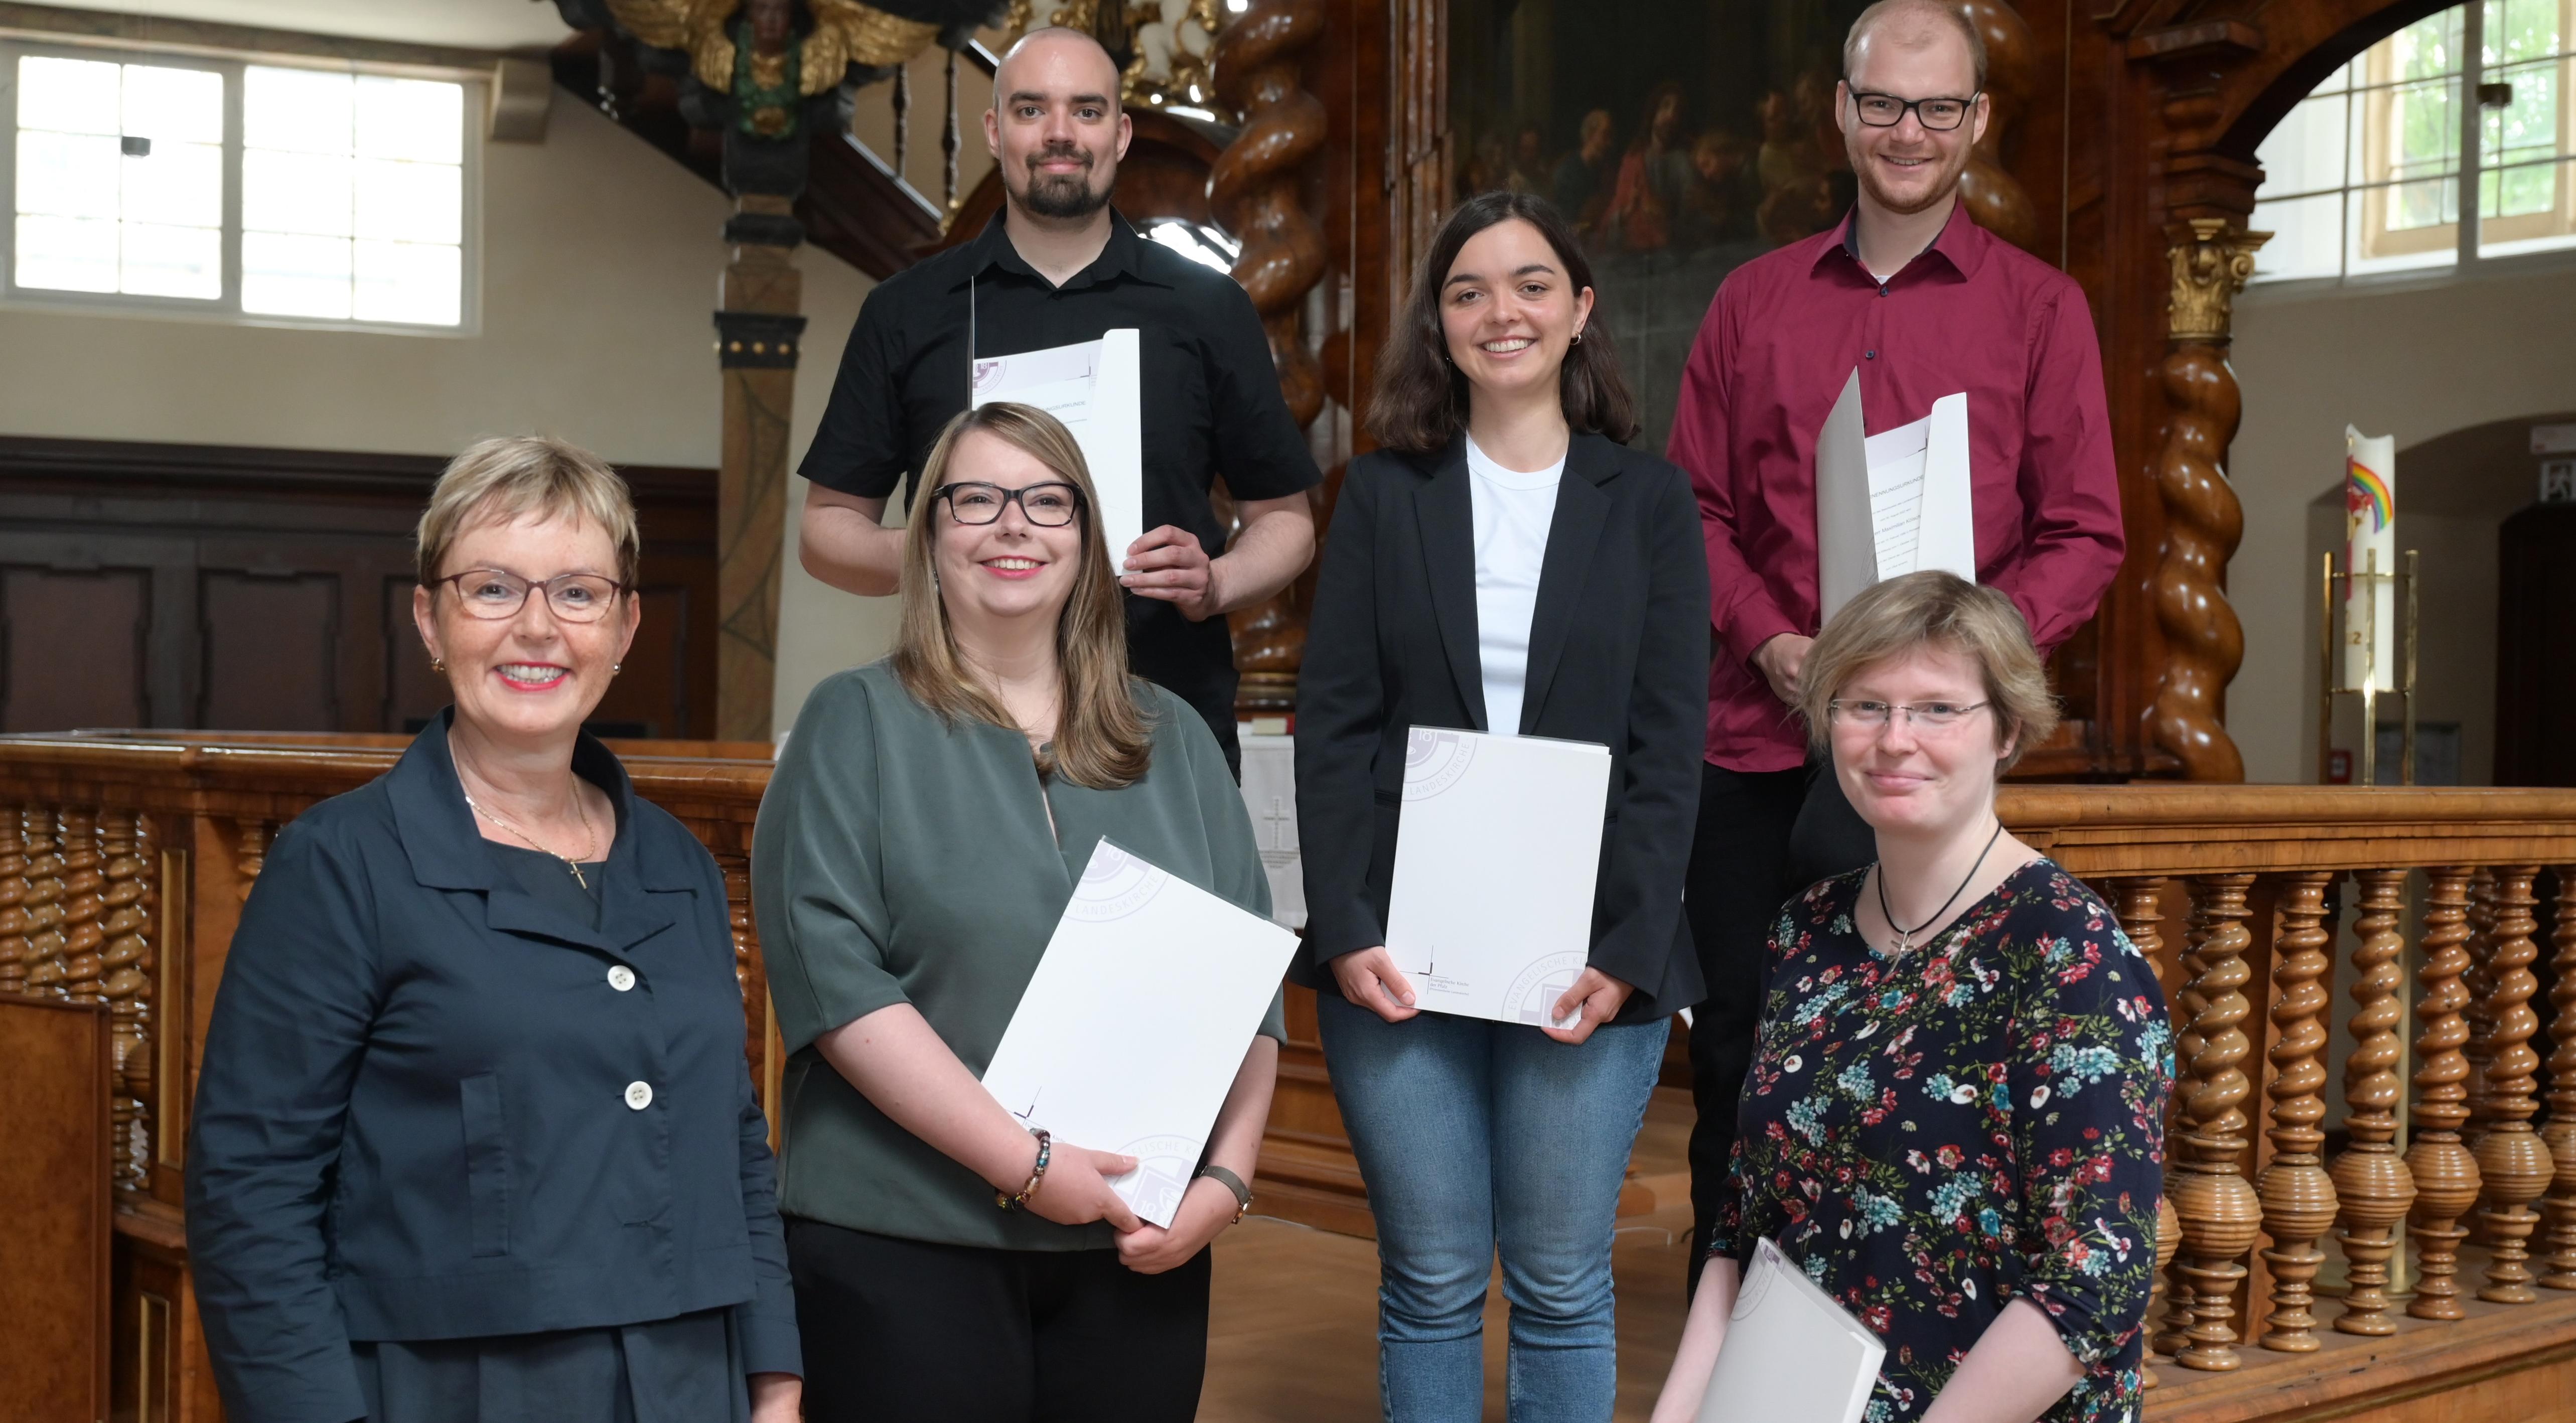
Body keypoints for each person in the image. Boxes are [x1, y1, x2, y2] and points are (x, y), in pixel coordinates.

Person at [186, 437, 801, 1423]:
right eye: (492, 588)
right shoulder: (340, 863)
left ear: (626, 623)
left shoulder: (679, 862)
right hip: (450, 1390)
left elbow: (729, 1139)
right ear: (430, 619)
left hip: (693, 1376)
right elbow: (250, 1191)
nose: (536, 628)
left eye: (576, 592)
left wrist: (773, 1377)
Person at [1666, 0, 2126, 1285]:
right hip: (1757, 744)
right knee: (1745, 1057)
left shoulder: (2039, 310)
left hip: (1930, 756)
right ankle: (1737, 1343)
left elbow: (2085, 532)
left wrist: (1954, 669)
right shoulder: (1752, 302)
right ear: (1841, 113)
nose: (1907, 132)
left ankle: (1893, 1332)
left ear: (1974, 120)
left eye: (1936, 108)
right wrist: (1765, 640)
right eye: (1882, 104)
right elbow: (1691, 505)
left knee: (1926, 1060)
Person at [754, 402, 1284, 1423]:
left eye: (1048, 501)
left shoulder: (1169, 733)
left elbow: (1244, 983)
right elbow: (833, 979)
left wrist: (1224, 1176)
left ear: (1086, 542)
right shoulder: (853, 720)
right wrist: (1028, 1163)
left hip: (1135, 1240)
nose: (1012, 525)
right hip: (903, 1235)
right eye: (975, 499)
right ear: (928, 536)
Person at [1295, 191, 1709, 1422]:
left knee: (1562, 1282)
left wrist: (1629, 953)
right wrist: (1344, 923)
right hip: (1398, 951)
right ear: (1440, 323)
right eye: (1467, 290)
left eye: (1531, 284)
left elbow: (1665, 746)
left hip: (1587, 953)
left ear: (1579, 311)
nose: (1500, 311)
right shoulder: (1379, 493)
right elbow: (1335, 725)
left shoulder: (1647, 502)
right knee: (1426, 1278)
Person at [1648, 570, 2170, 1423]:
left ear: (2004, 730)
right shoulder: (1802, 931)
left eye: (1936, 709)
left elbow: (2094, 1282)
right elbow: (1743, 1228)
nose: (1895, 740)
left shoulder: (2071, 955)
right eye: (1863, 705)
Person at [794, 25, 1318, 776]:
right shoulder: (908, 310)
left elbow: (1287, 525)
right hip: (954, 725)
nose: (1061, 134)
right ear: (994, 129)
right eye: (1032, 110)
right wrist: (936, 550)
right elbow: (826, 532)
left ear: (1121, 133)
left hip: (1159, 718)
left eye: (1087, 110)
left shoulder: (1206, 306)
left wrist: (1216, 582)